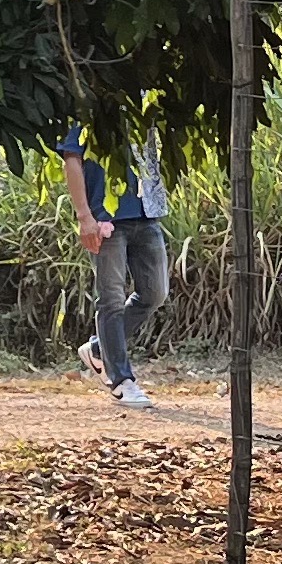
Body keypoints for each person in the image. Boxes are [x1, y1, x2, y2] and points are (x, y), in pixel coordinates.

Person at [57, 122, 168, 410]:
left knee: (155, 293)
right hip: (105, 217)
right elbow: (72, 158)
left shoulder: (144, 104)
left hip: (145, 212)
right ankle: (120, 380)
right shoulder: (89, 108)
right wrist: (84, 217)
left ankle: (98, 349)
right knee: (111, 299)